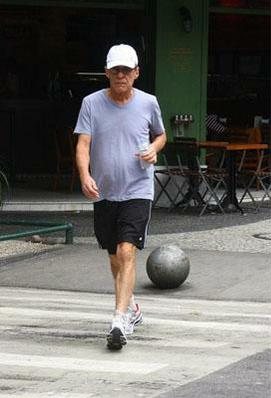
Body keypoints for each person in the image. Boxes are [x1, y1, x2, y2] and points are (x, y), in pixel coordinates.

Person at [74, 44, 167, 350]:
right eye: (115, 70)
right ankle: (132, 306)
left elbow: (161, 135)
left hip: (138, 189)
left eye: (126, 70)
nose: (120, 76)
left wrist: (154, 149)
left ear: (136, 73)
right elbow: (83, 144)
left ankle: (119, 319)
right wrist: (85, 175)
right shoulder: (91, 104)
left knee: (127, 252)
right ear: (107, 73)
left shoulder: (148, 102)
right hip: (104, 192)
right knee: (115, 257)